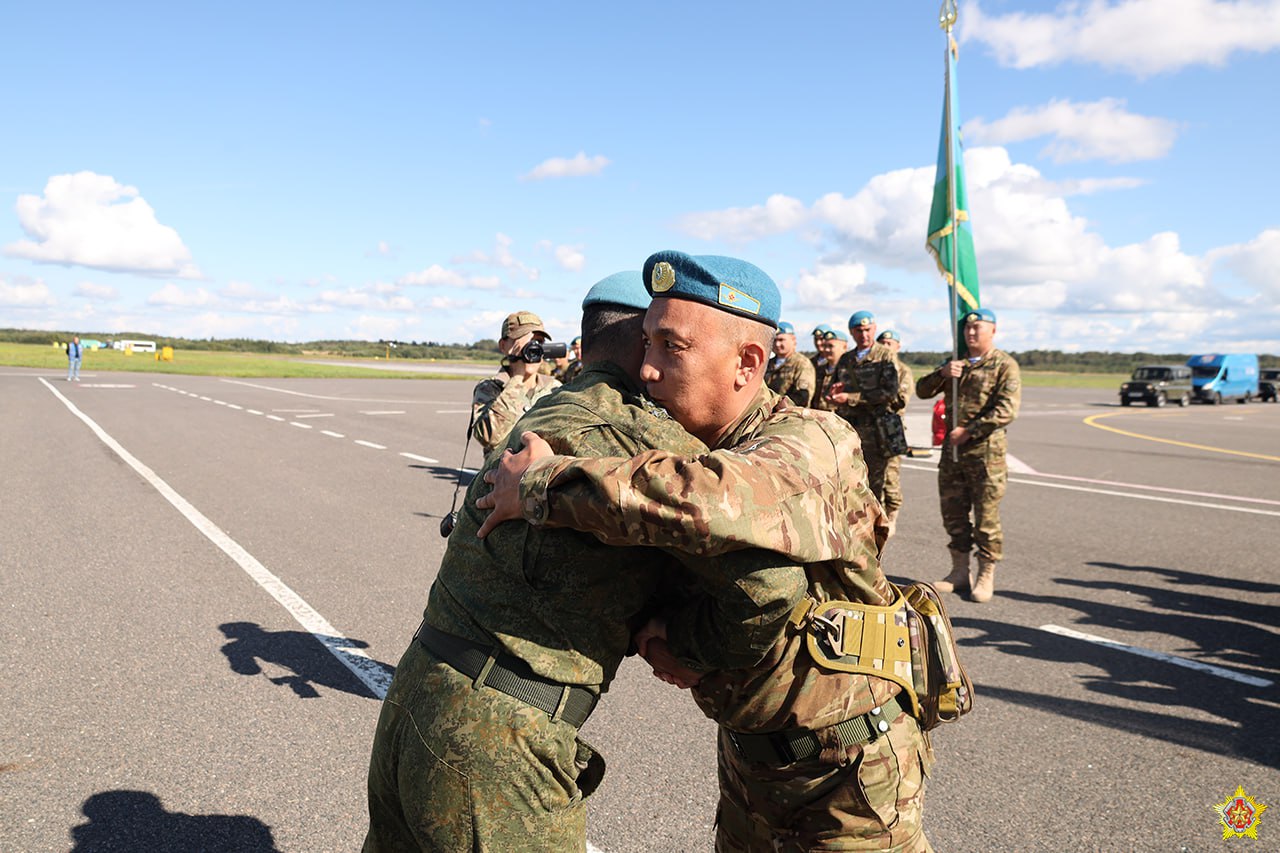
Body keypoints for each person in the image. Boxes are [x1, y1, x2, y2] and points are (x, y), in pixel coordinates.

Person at [478, 251, 932, 852]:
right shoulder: (688, 443)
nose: (647, 369)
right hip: (750, 763)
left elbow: (714, 502)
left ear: (747, 363)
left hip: (849, 775)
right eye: (646, 343)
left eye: (673, 347)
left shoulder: (810, 441)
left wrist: (543, 485)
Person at [363, 271, 804, 852]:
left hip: (418, 695)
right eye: (660, 341)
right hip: (498, 740)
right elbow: (770, 585)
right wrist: (687, 649)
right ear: (642, 339)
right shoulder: (645, 439)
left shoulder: (542, 413)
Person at [915, 307, 1021, 603]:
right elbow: (922, 391)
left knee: (986, 519)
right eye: (967, 329)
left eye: (978, 328)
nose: (971, 333)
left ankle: (985, 573)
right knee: (954, 515)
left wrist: (970, 430)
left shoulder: (1004, 365)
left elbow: (1006, 409)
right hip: (953, 456)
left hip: (986, 456)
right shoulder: (954, 363)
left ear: (993, 331)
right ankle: (960, 571)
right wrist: (942, 373)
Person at [825, 311, 907, 511]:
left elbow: (889, 392)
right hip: (851, 432)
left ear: (874, 329)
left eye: (868, 330)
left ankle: (874, 534)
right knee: (848, 483)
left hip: (876, 433)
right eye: (859, 331)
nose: (864, 335)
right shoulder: (846, 359)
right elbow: (835, 386)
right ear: (852, 332)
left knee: (872, 487)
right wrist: (833, 394)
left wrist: (851, 398)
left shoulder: (885, 356)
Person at [469, 312, 561, 453]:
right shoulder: (491, 388)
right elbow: (488, 438)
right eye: (524, 341)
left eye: (539, 342)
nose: (533, 348)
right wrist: (517, 378)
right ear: (503, 346)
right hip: (501, 472)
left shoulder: (554, 389)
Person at [877, 329, 914, 536]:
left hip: (892, 427)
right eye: (882, 342)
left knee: (891, 475)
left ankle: (892, 514)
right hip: (872, 427)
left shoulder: (903, 371)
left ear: (898, 346)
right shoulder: (875, 368)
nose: (886, 346)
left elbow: (900, 399)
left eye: (890, 343)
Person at [763, 320, 816, 407]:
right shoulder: (768, 363)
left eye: (781, 340)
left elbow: (803, 397)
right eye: (774, 340)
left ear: (793, 340)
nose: (777, 344)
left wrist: (777, 405)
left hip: (790, 415)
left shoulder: (801, 363)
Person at [810, 327, 848, 413]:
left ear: (844, 347)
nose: (826, 350)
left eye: (830, 346)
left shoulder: (850, 370)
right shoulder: (818, 369)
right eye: (825, 346)